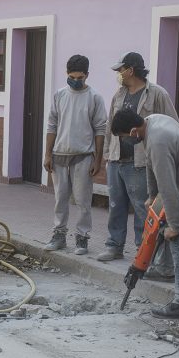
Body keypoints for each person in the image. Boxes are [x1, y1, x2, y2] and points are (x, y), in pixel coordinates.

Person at [110, 109, 179, 318]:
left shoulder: (158, 141)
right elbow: (151, 166)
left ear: (133, 131)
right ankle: (165, 269)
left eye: (124, 137)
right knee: (167, 232)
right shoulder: (152, 122)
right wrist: (152, 196)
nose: (125, 142)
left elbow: (168, 187)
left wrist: (175, 226)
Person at [97, 52, 179, 282]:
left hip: (141, 162)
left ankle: (143, 250)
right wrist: (106, 155)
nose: (118, 75)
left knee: (143, 210)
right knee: (116, 206)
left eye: (120, 70)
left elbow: (172, 123)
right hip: (117, 160)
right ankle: (114, 245)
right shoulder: (119, 94)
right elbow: (109, 125)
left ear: (130, 70)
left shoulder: (156, 94)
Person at [43, 54, 107, 255]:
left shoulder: (94, 97)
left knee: (83, 201)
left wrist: (97, 160)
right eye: (72, 76)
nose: (76, 80)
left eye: (80, 77)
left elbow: (100, 129)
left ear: (87, 75)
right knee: (60, 199)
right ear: (67, 74)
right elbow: (52, 124)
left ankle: (82, 238)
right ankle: (59, 235)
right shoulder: (59, 95)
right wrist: (47, 154)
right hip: (59, 155)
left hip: (84, 156)